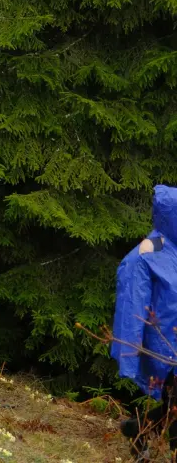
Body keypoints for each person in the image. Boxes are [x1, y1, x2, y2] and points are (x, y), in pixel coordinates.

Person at [112, 185, 177, 461]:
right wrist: (130, 351)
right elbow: (132, 303)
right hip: (163, 344)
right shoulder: (145, 255)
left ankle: (136, 428)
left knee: (174, 405)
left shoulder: (174, 251)